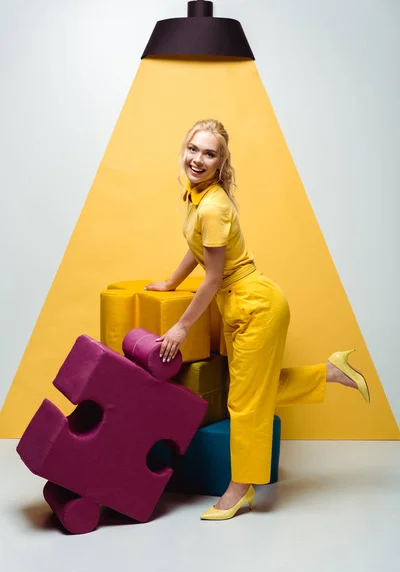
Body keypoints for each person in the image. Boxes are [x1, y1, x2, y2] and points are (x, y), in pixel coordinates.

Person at [145, 119, 370, 521]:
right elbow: (199, 252)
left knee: (243, 402)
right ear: (185, 148)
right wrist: (170, 282)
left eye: (209, 153)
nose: (198, 159)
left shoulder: (212, 206)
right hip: (241, 306)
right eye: (194, 149)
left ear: (221, 162)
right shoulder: (197, 195)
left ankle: (241, 488)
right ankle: (333, 373)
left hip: (255, 307)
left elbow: (213, 277)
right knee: (249, 391)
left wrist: (181, 327)